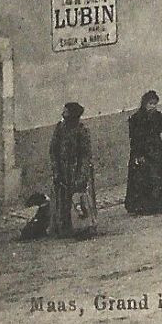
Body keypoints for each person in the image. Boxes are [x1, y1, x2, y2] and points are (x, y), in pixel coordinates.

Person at [124, 91, 162, 215]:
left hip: (156, 150)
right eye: (150, 104)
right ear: (144, 104)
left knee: (157, 178)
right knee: (142, 178)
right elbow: (134, 138)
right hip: (142, 150)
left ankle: (158, 204)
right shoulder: (136, 119)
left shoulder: (158, 117)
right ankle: (141, 206)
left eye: (155, 104)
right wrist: (138, 155)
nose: (153, 106)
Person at [48, 102, 96, 238]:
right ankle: (64, 226)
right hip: (63, 168)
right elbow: (53, 149)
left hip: (77, 168)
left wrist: (82, 174)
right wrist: (56, 169)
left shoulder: (82, 130)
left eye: (66, 112)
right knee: (62, 197)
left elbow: (86, 154)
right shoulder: (59, 129)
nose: (63, 114)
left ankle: (83, 225)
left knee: (79, 196)